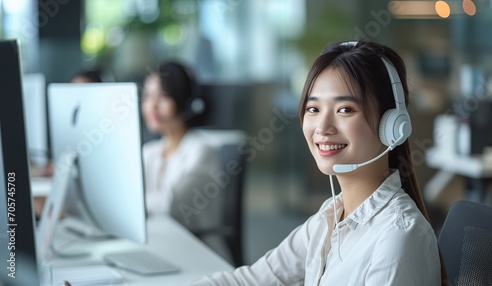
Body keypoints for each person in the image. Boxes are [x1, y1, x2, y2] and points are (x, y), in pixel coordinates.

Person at [187, 40, 445, 285]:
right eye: (313, 109)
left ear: (392, 126)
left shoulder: (397, 236)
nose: (322, 127)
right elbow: (250, 280)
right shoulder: (329, 217)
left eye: (345, 109)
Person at [141, 61, 231, 262]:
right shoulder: (149, 152)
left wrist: (134, 202)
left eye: (163, 96)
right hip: (162, 248)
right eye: (147, 96)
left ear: (185, 100)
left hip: (199, 254)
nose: (152, 106)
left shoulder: (201, 151)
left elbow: (169, 204)